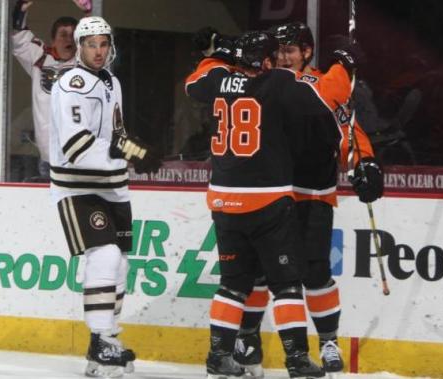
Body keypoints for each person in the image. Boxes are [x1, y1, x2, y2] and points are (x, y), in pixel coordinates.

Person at [185, 29, 350, 379]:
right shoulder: (276, 83)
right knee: (287, 283)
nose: (277, 60)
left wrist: (219, 55)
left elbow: (194, 79)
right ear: (264, 60)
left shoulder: (217, 80)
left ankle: (218, 356)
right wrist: (343, 66)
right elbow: (330, 95)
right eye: (273, 55)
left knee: (232, 285)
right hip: (266, 201)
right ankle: (296, 359)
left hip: (223, 201)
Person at [231, 22, 384, 378]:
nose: (283, 55)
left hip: (312, 193)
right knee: (257, 271)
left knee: (315, 270)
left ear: (307, 53)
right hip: (267, 194)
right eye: (279, 50)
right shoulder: (265, 84)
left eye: (291, 49)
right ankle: (248, 336)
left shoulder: (320, 88)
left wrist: (365, 162)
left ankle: (328, 341)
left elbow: (349, 132)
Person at [50, 16, 161, 378]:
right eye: (90, 44)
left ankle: (106, 341)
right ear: (79, 47)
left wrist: (135, 149)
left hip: (113, 186)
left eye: (103, 44)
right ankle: (99, 338)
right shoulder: (71, 82)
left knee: (121, 264)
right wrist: (127, 153)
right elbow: (76, 144)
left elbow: (115, 132)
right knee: (106, 253)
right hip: (78, 186)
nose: (98, 51)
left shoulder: (111, 81)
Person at [12, 0, 79, 181]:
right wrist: (21, 7)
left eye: (73, 35)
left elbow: (100, 45)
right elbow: (19, 37)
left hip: (80, 160)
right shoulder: (41, 58)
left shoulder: (87, 65)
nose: (68, 39)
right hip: (47, 159)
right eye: (63, 34)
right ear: (52, 40)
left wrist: (89, 13)